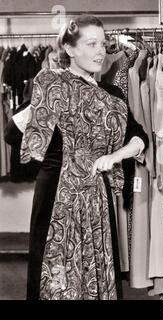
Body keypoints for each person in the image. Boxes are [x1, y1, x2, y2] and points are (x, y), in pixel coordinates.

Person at [13, 15, 148, 300]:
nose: (101, 51)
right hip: (57, 200)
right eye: (92, 44)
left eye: (103, 44)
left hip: (97, 199)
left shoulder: (113, 94)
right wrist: (43, 102)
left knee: (100, 274)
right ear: (70, 49)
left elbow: (139, 138)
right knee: (56, 281)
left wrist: (116, 155)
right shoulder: (51, 87)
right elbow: (10, 135)